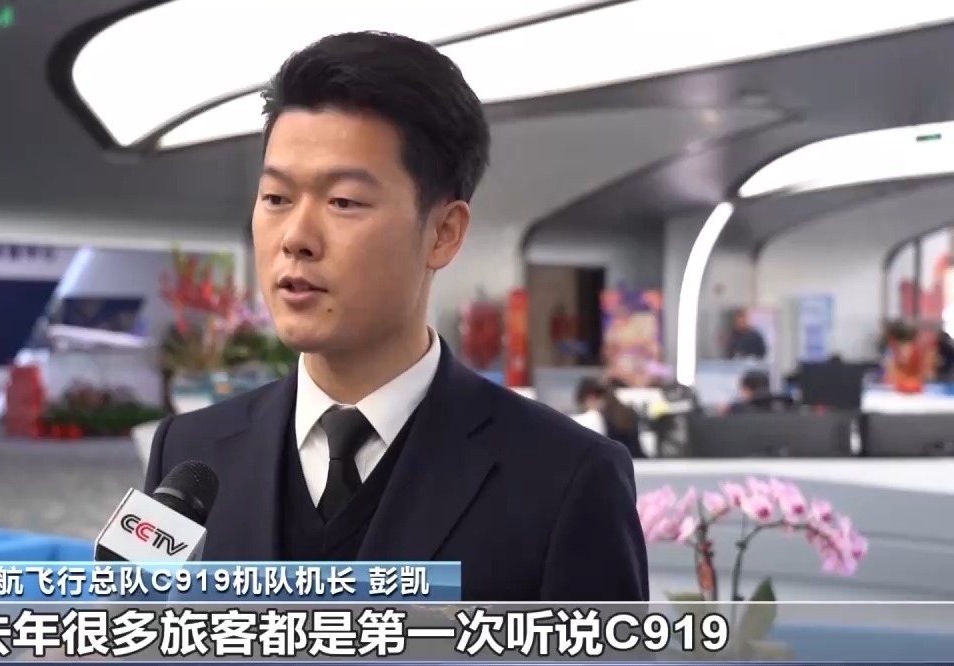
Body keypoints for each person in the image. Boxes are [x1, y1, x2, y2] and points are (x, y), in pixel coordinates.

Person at [146, 32, 647, 602]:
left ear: (444, 233)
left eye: (344, 201)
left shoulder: (565, 478)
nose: (296, 238)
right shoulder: (188, 455)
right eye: (276, 198)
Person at [574, 378, 644, 459]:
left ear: (591, 398)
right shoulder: (624, 412)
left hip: (620, 459)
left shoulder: (597, 418)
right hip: (634, 458)